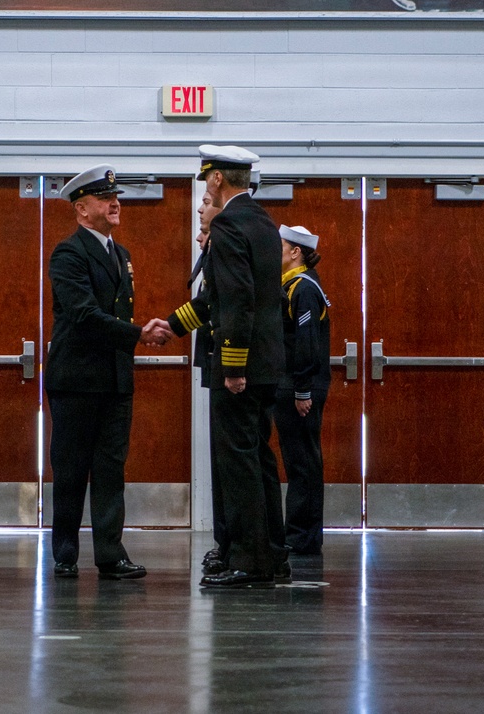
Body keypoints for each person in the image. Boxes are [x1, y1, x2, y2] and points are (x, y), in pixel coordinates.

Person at [45, 164, 170, 581]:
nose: (114, 204)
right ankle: (64, 553)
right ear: (82, 209)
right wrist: (139, 334)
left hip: (116, 380)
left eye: (115, 197)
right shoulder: (68, 253)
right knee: (71, 469)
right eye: (104, 198)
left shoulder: (122, 254)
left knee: (111, 470)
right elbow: (83, 314)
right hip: (77, 380)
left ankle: (110, 554)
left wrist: (135, 336)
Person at [194, 145, 288, 590]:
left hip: (242, 365)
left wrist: (231, 367)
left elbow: (236, 300)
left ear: (217, 179)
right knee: (260, 457)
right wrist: (174, 324)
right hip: (268, 362)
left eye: (206, 178)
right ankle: (273, 552)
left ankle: (248, 560)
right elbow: (222, 299)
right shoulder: (263, 221)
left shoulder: (229, 223)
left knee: (238, 463)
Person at [161, 192, 229, 574]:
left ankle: (237, 547)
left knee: (234, 464)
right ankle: (229, 543)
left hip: (232, 371)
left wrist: (167, 327)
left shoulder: (228, 245)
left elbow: (220, 307)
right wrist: (170, 326)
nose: (200, 209)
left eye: (205, 201)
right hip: (217, 365)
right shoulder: (215, 249)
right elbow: (205, 305)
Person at [276, 225, 331, 556]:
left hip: (300, 386)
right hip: (296, 383)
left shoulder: (303, 288)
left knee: (303, 462)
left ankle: (302, 536)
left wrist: (302, 391)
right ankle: (299, 532)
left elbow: (306, 344)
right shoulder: (291, 285)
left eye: (280, 246)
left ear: (295, 252)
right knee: (298, 460)